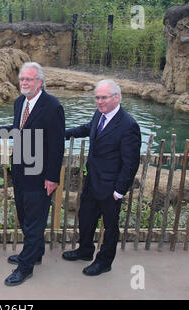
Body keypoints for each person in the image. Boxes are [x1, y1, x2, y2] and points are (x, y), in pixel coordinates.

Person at [0, 62, 65, 286]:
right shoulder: (20, 102)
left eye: (29, 79)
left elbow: (57, 146)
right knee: (26, 218)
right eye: (22, 79)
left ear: (40, 82)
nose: (24, 83)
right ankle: (35, 254)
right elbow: (19, 130)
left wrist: (52, 177)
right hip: (20, 171)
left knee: (34, 223)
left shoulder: (52, 106)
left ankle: (25, 267)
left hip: (40, 175)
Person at [63, 79, 141, 276]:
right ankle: (85, 250)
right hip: (93, 181)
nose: (99, 101)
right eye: (97, 97)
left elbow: (130, 162)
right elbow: (87, 128)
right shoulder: (99, 114)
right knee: (86, 217)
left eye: (104, 97)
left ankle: (104, 261)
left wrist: (119, 191)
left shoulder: (128, 125)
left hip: (111, 187)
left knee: (110, 226)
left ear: (117, 97)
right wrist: (62, 134)